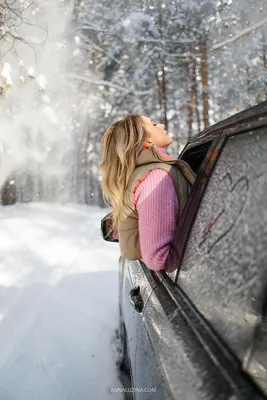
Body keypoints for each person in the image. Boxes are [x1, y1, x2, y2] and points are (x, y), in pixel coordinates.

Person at [99, 114, 195, 273]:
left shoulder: (143, 175)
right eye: (154, 124)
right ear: (146, 141)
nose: (162, 125)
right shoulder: (156, 177)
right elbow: (160, 259)